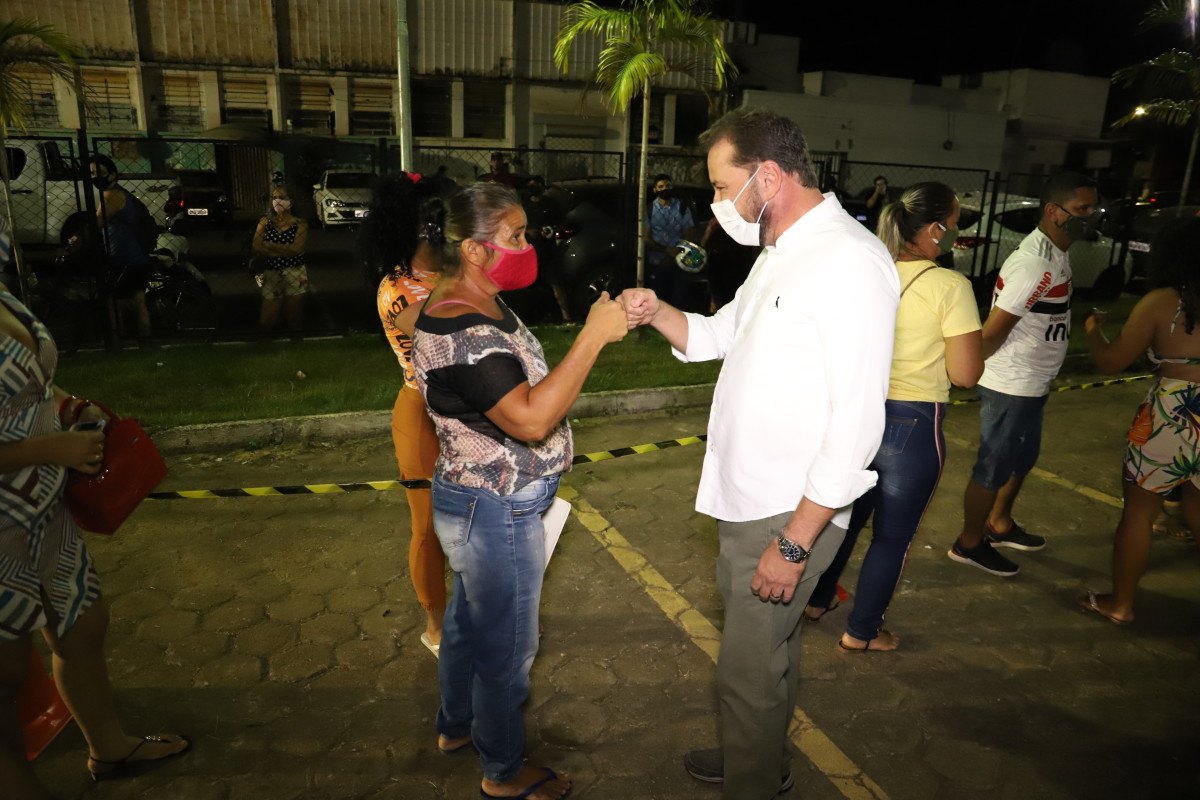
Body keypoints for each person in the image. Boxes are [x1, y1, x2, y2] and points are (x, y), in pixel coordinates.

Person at [621, 107, 898, 800]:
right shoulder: (783, 250)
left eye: (722, 184)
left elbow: (859, 420)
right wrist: (656, 311)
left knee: (746, 667)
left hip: (786, 511)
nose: (716, 203)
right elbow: (719, 335)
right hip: (751, 500)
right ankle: (759, 755)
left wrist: (798, 541)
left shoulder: (849, 262)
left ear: (768, 175)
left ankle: (755, 780)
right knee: (764, 655)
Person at [411, 182, 627, 800]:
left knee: (465, 623)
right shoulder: (465, 329)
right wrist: (592, 337)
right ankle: (502, 772)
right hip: (496, 509)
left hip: (478, 499)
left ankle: (455, 727)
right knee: (507, 647)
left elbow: (522, 383)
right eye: (516, 235)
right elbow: (530, 419)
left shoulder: (477, 299)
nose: (527, 246)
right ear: (476, 249)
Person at [0, 288, 189, 797]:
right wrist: (50, 446)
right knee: (6, 672)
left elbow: (31, 383)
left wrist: (68, 405)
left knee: (83, 621)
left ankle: (108, 747)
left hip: (42, 504)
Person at [803, 182, 983, 651]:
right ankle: (862, 632)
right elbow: (966, 374)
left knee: (844, 520)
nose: (957, 235)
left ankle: (817, 600)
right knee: (892, 539)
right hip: (914, 424)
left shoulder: (869, 274)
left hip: (856, 415)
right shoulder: (950, 286)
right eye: (956, 225)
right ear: (934, 229)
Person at [949, 172, 1100, 578]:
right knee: (993, 467)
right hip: (1011, 384)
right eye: (1083, 209)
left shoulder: (1057, 252)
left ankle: (998, 524)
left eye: (1093, 207)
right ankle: (968, 543)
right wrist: (959, 371)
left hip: (1034, 381)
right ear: (1054, 212)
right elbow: (991, 333)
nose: (1093, 216)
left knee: (1022, 458)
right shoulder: (1034, 265)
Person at [1079, 216, 1200, 625]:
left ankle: (1121, 603)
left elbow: (1111, 361)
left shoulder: (1163, 302)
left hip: (1172, 412)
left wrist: (1094, 330)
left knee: (1139, 513)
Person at [362, 174, 448, 655]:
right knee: (428, 528)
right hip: (425, 417)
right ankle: (436, 627)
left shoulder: (457, 276)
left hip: (473, 418)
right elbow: (446, 332)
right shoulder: (398, 289)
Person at [88, 156, 152, 340]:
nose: (94, 177)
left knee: (114, 301)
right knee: (137, 301)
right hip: (135, 256)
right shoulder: (116, 193)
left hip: (127, 259)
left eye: (98, 173)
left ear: (112, 175)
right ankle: (143, 341)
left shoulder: (112, 196)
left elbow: (97, 223)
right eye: (91, 173)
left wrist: (78, 237)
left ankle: (118, 342)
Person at [251, 186, 309, 334]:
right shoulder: (265, 222)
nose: (277, 201)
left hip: (295, 272)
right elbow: (256, 246)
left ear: (291, 202)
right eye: (275, 198)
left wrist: (270, 245)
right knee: (267, 320)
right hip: (271, 273)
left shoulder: (300, 224)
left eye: (282, 198)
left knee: (294, 318)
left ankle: (296, 345)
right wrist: (284, 249)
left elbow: (297, 249)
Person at [522, 176, 573, 323]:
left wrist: (550, 230)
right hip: (530, 251)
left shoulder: (551, 204)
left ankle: (566, 317)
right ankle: (530, 319)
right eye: (530, 185)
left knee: (556, 283)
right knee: (529, 286)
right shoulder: (524, 207)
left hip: (549, 250)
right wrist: (529, 232)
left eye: (535, 185)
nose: (532, 188)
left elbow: (562, 223)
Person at [644, 173, 698, 309]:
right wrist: (666, 251)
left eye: (668, 185)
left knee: (678, 299)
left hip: (679, 260)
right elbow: (646, 238)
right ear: (655, 190)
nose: (665, 189)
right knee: (658, 299)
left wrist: (674, 253)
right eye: (661, 186)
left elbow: (688, 235)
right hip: (657, 262)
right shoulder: (649, 210)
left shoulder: (682, 207)